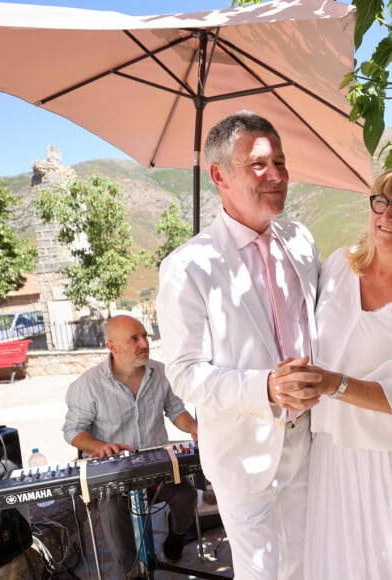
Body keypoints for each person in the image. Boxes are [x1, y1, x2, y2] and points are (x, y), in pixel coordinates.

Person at [156, 110, 323, 580]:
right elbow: (186, 372)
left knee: (310, 566)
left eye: (281, 162)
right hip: (242, 454)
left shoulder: (302, 241)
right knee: (264, 573)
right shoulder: (188, 267)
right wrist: (265, 388)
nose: (277, 176)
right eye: (258, 165)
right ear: (219, 176)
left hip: (311, 442)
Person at [273, 169, 392, 580]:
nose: (388, 216)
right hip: (328, 452)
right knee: (335, 564)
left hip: (384, 460)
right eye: (382, 202)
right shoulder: (340, 265)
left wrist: (331, 383)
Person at [62, 314, 199, 578]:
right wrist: (100, 446)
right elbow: (72, 431)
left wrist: (193, 427)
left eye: (145, 336)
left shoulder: (160, 373)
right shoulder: (87, 385)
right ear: (111, 346)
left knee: (187, 496)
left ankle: (176, 535)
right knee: (112, 514)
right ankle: (132, 573)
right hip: (115, 475)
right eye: (134, 339)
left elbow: (175, 411)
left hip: (157, 468)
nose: (144, 343)